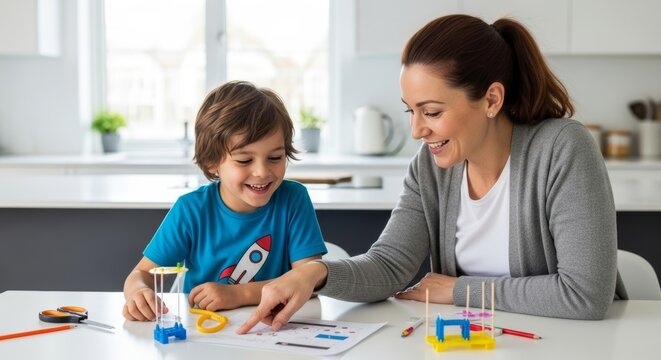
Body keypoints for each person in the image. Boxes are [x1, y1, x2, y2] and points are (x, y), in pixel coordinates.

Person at [238, 14, 626, 333]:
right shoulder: (430, 167)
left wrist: (460, 291)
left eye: (433, 112)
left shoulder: (562, 149)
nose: (417, 130)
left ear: (491, 99)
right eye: (411, 111)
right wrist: (315, 275)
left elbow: (584, 295)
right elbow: (389, 266)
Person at [123, 81, 327, 321]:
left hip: (271, 334)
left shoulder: (293, 199)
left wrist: (237, 294)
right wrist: (138, 292)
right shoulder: (191, 210)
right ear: (212, 162)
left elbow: (308, 281)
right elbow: (140, 274)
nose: (262, 171)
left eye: (275, 157)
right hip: (203, 335)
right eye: (243, 160)